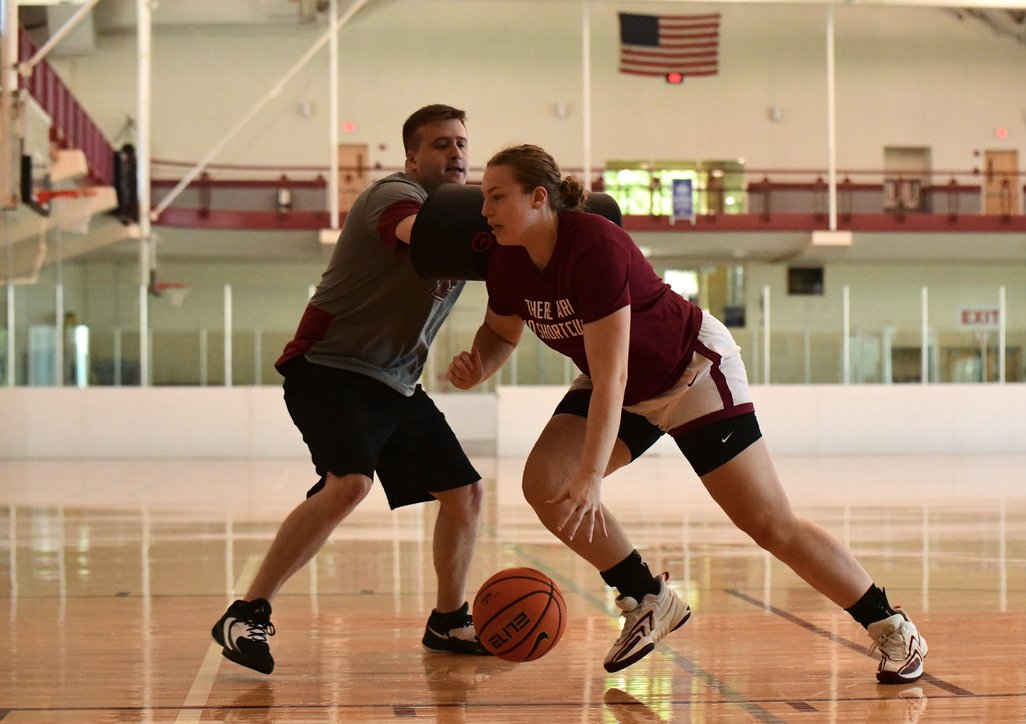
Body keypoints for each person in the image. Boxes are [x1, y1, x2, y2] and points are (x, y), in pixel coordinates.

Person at [447, 144, 929, 682]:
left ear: (539, 198)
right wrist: (479, 366)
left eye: (496, 196)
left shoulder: (595, 245)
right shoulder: (506, 260)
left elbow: (613, 376)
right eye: (484, 198)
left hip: (689, 371)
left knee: (769, 524)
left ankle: (892, 627)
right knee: (545, 482)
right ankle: (648, 597)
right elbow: (500, 332)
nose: (485, 209)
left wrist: (590, 474)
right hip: (626, 383)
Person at [211, 104, 489, 674]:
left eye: (461, 143)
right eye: (441, 144)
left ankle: (448, 619)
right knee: (349, 485)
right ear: (412, 155)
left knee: (464, 495)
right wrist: (515, 232)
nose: (456, 153)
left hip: (396, 382)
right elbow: (421, 237)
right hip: (329, 368)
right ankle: (246, 612)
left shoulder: (467, 222)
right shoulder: (393, 195)